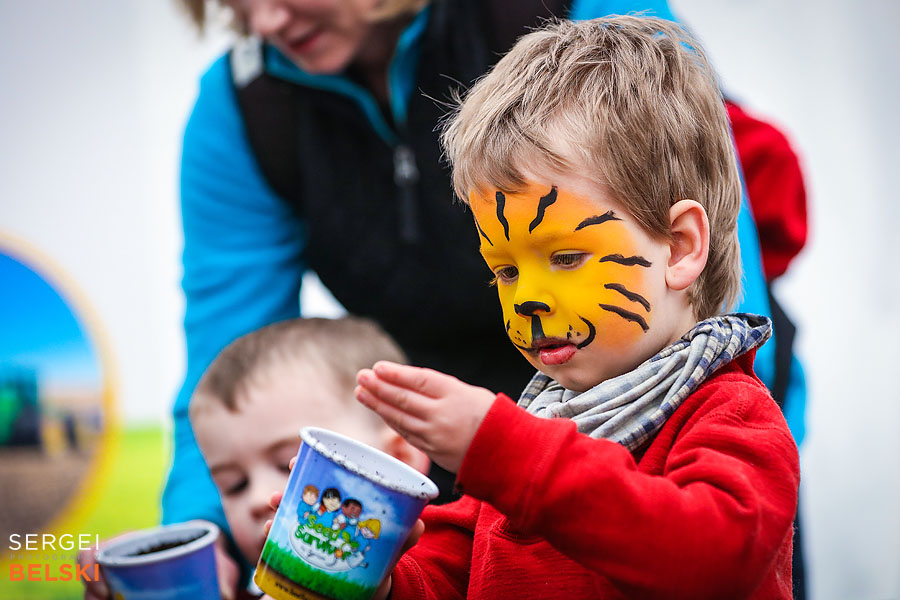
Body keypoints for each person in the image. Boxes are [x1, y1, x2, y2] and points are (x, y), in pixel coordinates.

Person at [352, 16, 800, 599]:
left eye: (564, 256)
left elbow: (712, 554)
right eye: (506, 271)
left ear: (681, 246)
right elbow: (446, 573)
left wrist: (501, 451)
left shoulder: (728, 416)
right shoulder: (543, 422)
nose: (528, 298)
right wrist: (373, 575)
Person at [82, 317, 428, 600]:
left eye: (290, 464)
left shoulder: (457, 565)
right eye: (234, 485)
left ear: (400, 457)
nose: (257, 498)